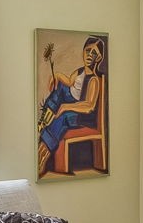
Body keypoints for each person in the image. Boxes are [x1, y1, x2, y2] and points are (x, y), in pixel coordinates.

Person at [38, 36, 105, 174]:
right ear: (83, 51)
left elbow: (89, 106)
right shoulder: (79, 71)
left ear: (98, 58)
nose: (89, 55)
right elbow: (69, 81)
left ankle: (43, 153)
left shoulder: (93, 80)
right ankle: (45, 118)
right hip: (74, 102)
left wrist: (65, 107)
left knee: (63, 117)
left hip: (84, 116)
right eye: (88, 51)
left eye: (94, 53)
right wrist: (57, 75)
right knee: (60, 89)